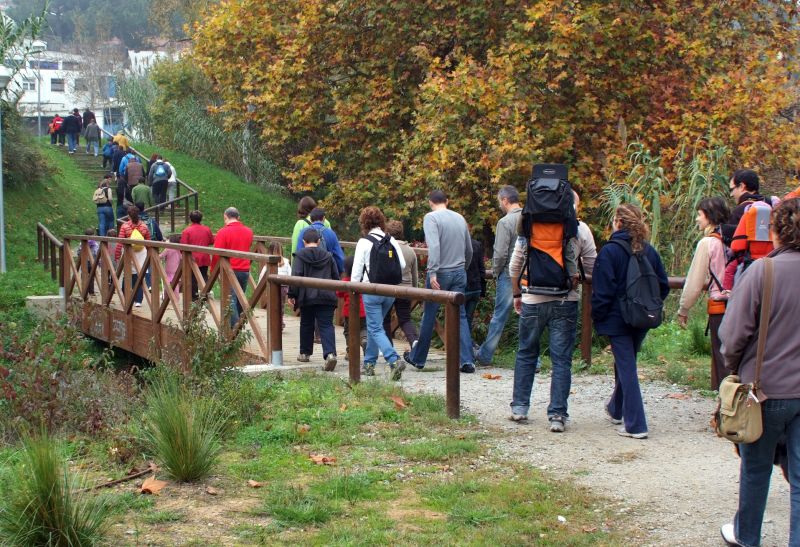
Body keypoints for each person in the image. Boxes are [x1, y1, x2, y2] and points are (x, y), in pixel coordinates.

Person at [718, 198, 800, 547]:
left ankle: (747, 538)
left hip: (765, 389)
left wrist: (734, 366)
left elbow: (732, 334)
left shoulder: (762, 272)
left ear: (775, 232)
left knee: (755, 470)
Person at [508, 190, 597, 431]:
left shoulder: (529, 226)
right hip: (565, 300)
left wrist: (517, 294)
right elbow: (592, 266)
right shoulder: (580, 229)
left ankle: (519, 407)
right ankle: (557, 415)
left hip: (532, 298)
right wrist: (575, 272)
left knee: (526, 353)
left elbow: (515, 265)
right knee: (561, 359)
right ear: (573, 205)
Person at [591, 204, 669, 439]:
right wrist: (649, 305)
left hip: (617, 318)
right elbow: (663, 285)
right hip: (642, 316)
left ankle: (636, 425)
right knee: (626, 363)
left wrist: (598, 316)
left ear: (618, 222)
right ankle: (616, 409)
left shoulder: (609, 252)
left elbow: (603, 290)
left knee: (627, 367)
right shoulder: (649, 251)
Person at [403, 190, 475, 373]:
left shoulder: (431, 218)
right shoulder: (460, 218)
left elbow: (434, 246)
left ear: (430, 202)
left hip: (441, 272)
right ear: (447, 201)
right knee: (460, 316)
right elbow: (469, 249)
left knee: (429, 314)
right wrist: (463, 268)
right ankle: (467, 360)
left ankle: (418, 358)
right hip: (459, 271)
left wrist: (433, 272)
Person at [676, 197, 731, 390]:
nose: (697, 219)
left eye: (699, 214)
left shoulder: (708, 243)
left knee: (722, 360)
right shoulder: (735, 239)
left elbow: (695, 280)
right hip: (742, 305)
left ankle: (727, 402)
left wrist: (684, 308)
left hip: (720, 308)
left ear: (709, 216)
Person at [351, 206, 406, 379]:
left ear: (364, 223)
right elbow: (402, 265)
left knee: (374, 327)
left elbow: (356, 272)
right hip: (389, 291)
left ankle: (393, 359)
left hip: (371, 290)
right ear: (381, 221)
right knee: (375, 326)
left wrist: (353, 289)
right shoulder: (391, 240)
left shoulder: (364, 242)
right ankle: (369, 364)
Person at [476, 185, 523, 366]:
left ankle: (485, 355)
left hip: (509, 273)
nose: (499, 205)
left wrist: (496, 272)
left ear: (505, 200)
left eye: (499, 202)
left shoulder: (505, 222)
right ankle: (532, 360)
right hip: (529, 273)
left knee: (499, 317)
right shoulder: (530, 218)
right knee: (527, 317)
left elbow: (501, 253)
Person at [288, 229, 340, 371]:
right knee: (326, 325)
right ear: (318, 241)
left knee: (306, 324)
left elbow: (296, 276)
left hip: (307, 297)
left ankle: (305, 353)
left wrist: (292, 294)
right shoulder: (328, 256)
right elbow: (335, 276)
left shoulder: (299, 256)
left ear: (304, 241)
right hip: (327, 296)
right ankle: (330, 354)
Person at [211, 207, 254, 327]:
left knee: (230, 298)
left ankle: (235, 327)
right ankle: (238, 325)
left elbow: (217, 253)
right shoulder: (249, 231)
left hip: (229, 269)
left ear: (225, 216)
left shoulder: (223, 232)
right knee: (240, 297)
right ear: (238, 217)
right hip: (244, 269)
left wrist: (213, 270)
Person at [382, 219, 419, 350]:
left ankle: (389, 349)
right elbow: (414, 274)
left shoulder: (384, 248)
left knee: (385, 319)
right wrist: (415, 290)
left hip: (388, 289)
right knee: (405, 319)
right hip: (406, 289)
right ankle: (414, 341)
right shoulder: (410, 250)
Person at [114, 206, 151, 307]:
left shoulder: (125, 226)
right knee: (139, 276)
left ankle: (126, 297)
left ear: (129, 215)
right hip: (141, 253)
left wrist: (117, 255)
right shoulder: (144, 226)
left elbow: (120, 242)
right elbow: (148, 241)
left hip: (129, 252)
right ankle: (138, 300)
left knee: (127, 274)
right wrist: (150, 255)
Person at [296, 208, 345, 274]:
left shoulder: (303, 232)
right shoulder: (331, 234)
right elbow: (339, 257)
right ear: (324, 218)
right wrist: (340, 271)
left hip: (306, 275)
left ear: (310, 219)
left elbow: (299, 254)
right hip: (326, 275)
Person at [337, 254, 367, 360]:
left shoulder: (345, 281)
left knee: (348, 331)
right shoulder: (364, 281)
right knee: (363, 328)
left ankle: (350, 351)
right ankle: (364, 339)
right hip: (363, 311)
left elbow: (339, 294)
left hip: (348, 312)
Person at [180, 210, 215, 300]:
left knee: (192, 278)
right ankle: (205, 296)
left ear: (190, 219)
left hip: (192, 258)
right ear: (201, 219)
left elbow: (183, 246)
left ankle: (194, 299)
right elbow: (211, 241)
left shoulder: (187, 231)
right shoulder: (206, 229)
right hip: (204, 256)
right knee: (204, 276)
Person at [464, 234, 487, 335]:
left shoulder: (459, 245)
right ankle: (468, 342)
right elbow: (482, 269)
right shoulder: (477, 244)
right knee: (468, 319)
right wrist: (482, 289)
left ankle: (461, 343)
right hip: (476, 287)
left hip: (464, 287)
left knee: (458, 320)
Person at [159, 234, 183, 298]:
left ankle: (166, 297)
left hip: (169, 270)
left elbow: (161, 256)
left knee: (167, 284)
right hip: (176, 269)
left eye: (168, 240)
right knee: (176, 284)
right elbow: (181, 257)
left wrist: (157, 255)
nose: (166, 241)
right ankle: (176, 297)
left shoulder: (168, 249)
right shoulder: (178, 250)